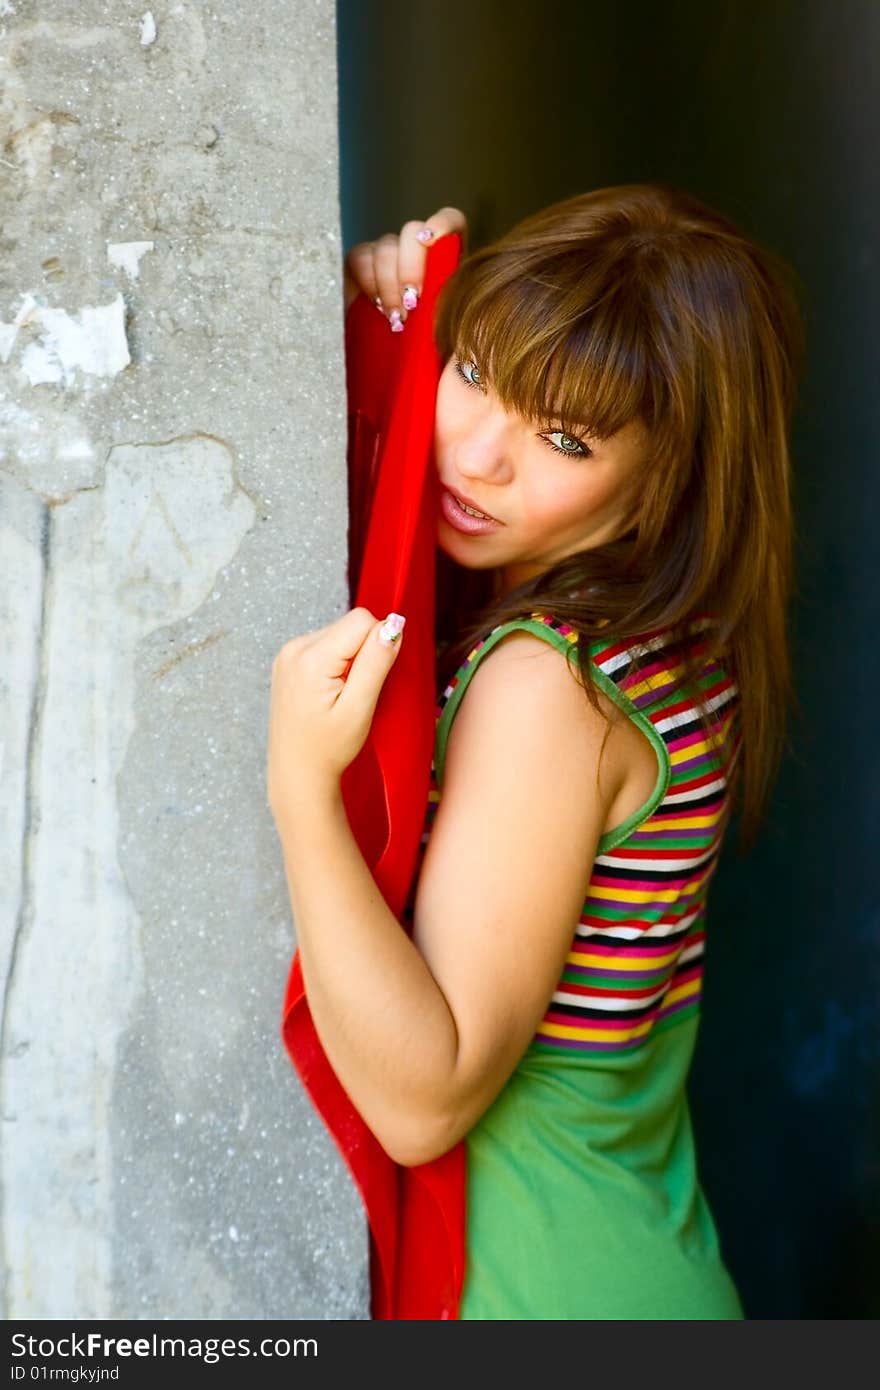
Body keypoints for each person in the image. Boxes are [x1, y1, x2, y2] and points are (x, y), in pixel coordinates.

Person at [266, 185, 804, 1318]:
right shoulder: (670, 637)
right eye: (473, 373)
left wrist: (303, 790)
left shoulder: (547, 684)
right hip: (629, 1254)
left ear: (664, 476)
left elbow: (425, 1098)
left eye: (565, 438)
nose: (479, 455)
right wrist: (387, 336)